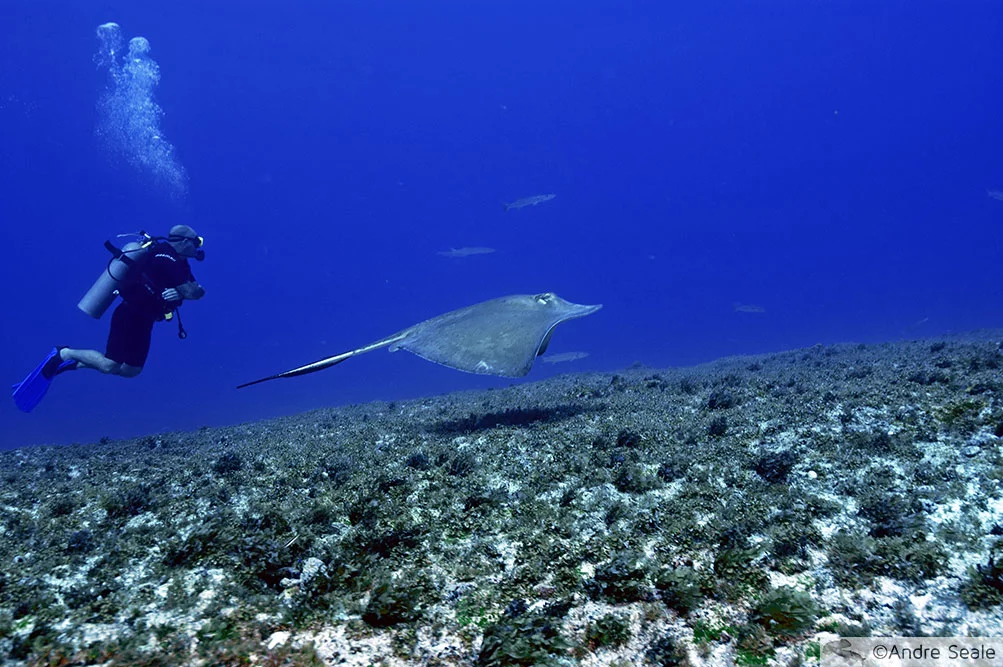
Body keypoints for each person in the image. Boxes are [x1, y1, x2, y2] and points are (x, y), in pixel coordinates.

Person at [11, 225, 206, 412]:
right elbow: (192, 291)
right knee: (109, 365)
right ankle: (64, 353)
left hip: (145, 319)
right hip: (129, 314)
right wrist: (184, 292)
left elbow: (197, 292)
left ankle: (71, 363)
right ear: (184, 242)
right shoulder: (165, 258)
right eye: (196, 242)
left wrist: (182, 292)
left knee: (132, 370)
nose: (197, 247)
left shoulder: (181, 263)